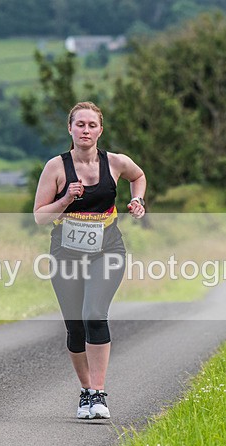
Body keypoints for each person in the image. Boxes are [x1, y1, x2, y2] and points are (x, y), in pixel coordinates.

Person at [33, 101, 146, 420]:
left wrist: (136, 199)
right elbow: (40, 218)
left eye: (91, 125)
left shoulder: (116, 162)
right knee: (75, 326)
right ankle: (86, 392)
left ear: (100, 130)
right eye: (79, 124)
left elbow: (139, 177)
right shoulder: (55, 167)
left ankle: (98, 393)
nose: (85, 130)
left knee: (95, 314)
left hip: (107, 249)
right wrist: (66, 199)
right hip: (65, 253)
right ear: (70, 129)